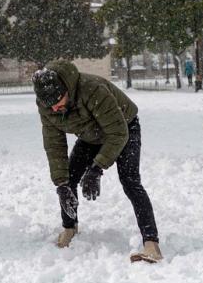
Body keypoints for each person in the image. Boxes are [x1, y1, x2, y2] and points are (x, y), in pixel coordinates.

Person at [32, 60, 162, 263]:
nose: (56, 108)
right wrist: (61, 184)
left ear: (67, 88)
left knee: (130, 181)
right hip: (90, 135)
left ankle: (151, 243)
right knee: (69, 178)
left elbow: (118, 133)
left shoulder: (91, 89)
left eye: (59, 101)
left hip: (124, 128)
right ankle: (69, 227)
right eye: (51, 106)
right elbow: (54, 146)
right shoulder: (48, 106)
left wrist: (97, 168)